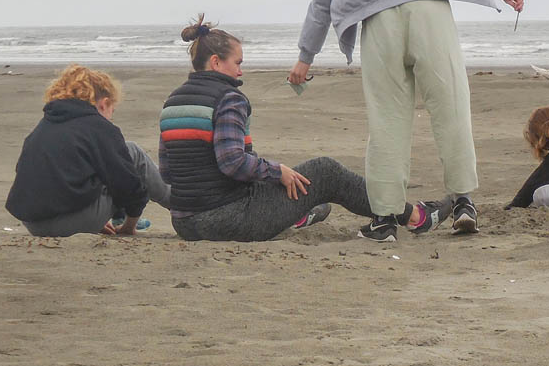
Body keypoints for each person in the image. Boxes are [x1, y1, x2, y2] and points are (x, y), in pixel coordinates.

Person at [288, 0, 524, 240]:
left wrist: (305, 57)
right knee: (449, 104)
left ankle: (384, 221)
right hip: (429, 10)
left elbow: (322, 0)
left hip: (379, 22)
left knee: (387, 120)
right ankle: (463, 201)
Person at [159, 16, 450, 243]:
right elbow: (232, 162)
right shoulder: (228, 98)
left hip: (184, 223)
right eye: (237, 63)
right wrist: (277, 171)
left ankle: (296, 215)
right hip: (224, 220)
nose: (241, 71)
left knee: (276, 180)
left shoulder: (172, 103)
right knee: (325, 171)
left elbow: (168, 174)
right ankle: (414, 216)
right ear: (215, 62)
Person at [5, 64, 172, 236]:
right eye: (112, 111)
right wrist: (129, 227)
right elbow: (129, 186)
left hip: (34, 224)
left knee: (103, 167)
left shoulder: (42, 128)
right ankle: (177, 203)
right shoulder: (99, 127)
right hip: (74, 221)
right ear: (104, 104)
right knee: (132, 152)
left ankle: (96, 218)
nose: (111, 117)